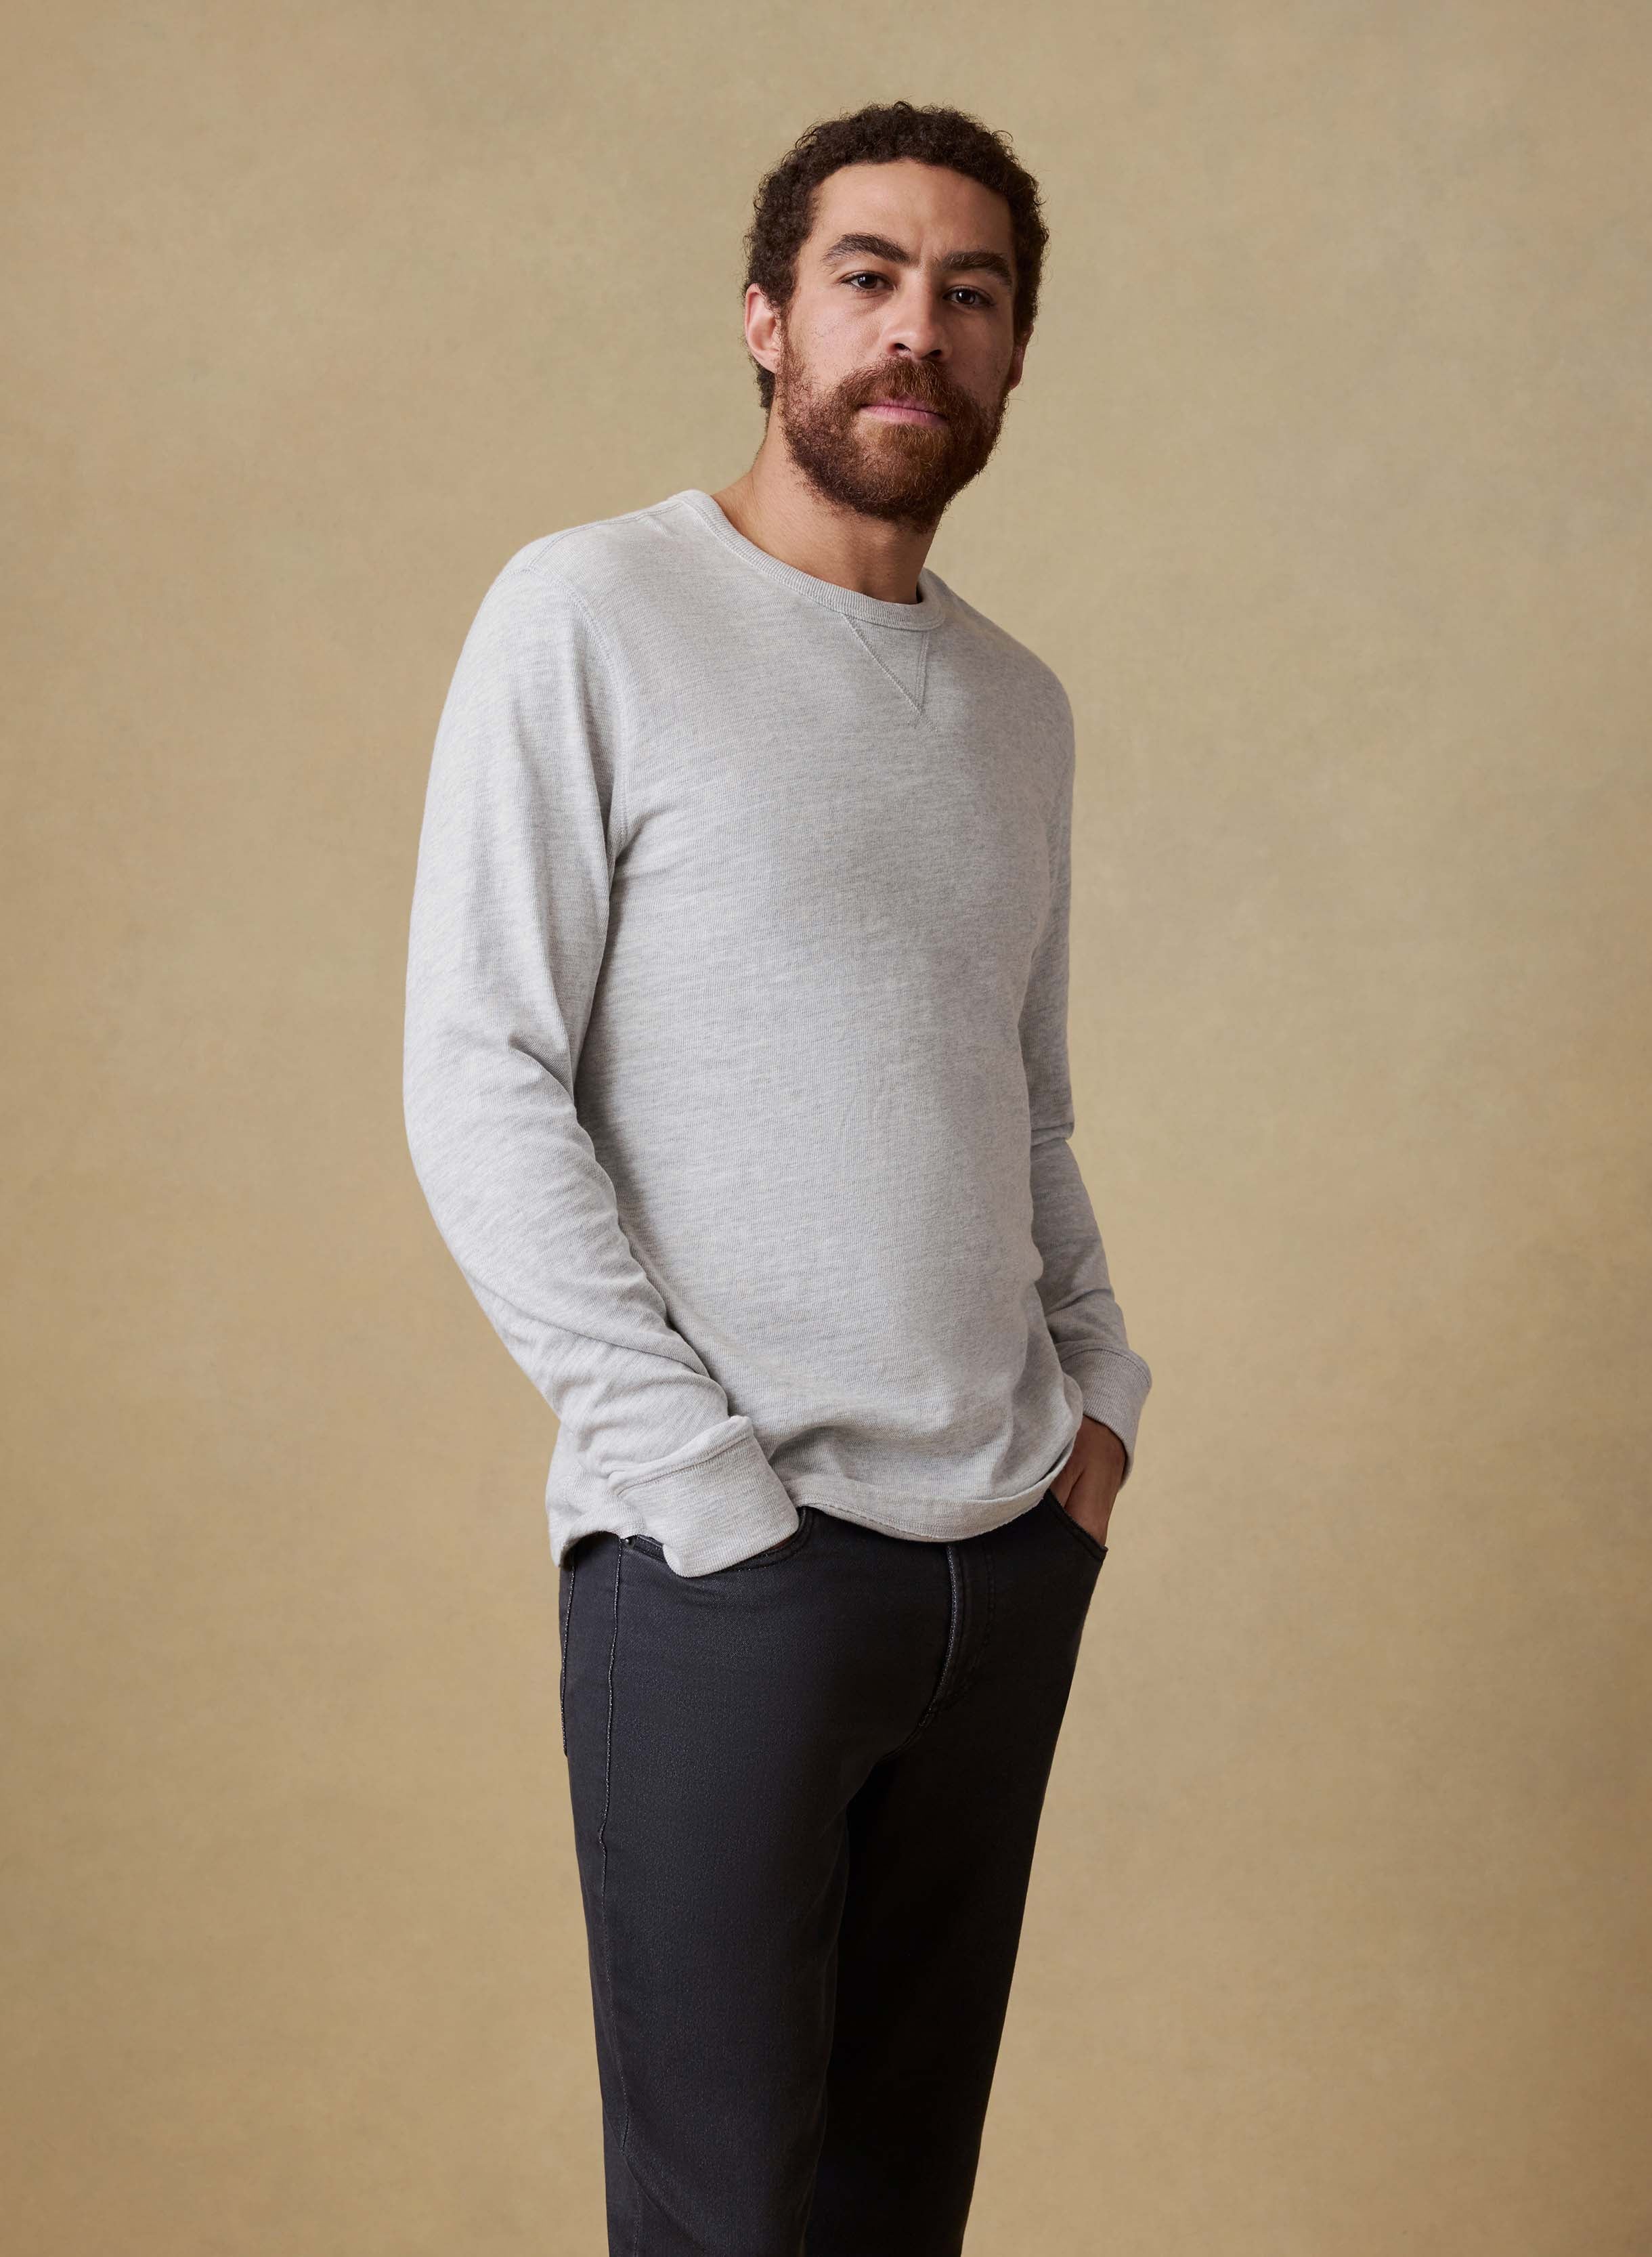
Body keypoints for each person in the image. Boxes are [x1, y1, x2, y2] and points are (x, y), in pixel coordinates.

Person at [402, 97, 1152, 2257]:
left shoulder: (1017, 706)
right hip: (724, 1573)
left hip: (1003, 1554)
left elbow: (1018, 1100)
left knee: (894, 2213)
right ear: (766, 320)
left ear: (1011, 360)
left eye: (970, 295)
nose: (917, 331)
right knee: (724, 2220)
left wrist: (1099, 1405)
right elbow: (482, 1074)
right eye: (868, 278)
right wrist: (699, 1489)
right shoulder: (592, 614)